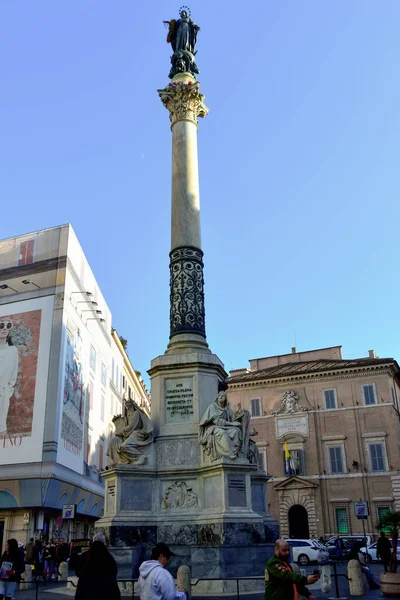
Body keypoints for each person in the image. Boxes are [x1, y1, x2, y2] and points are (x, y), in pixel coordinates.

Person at [199, 391, 250, 461]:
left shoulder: (227, 409)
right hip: (215, 427)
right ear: (217, 398)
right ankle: (229, 453)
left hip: (226, 427)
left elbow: (232, 419)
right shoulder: (212, 407)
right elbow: (217, 421)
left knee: (236, 431)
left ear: (225, 399)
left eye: (223, 395)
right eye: (219, 395)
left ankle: (235, 454)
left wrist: (241, 417)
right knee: (222, 433)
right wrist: (232, 424)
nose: (221, 396)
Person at [75, 534, 120, 600]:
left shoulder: (84, 556)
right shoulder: (108, 557)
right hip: (106, 592)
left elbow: (77, 572)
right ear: (104, 542)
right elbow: (114, 572)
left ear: (93, 541)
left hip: (86, 591)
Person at [107, 399, 153, 465]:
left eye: (128, 407)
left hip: (137, 434)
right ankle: (122, 460)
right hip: (129, 434)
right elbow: (127, 426)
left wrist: (121, 432)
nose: (127, 409)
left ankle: (139, 456)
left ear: (132, 406)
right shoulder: (129, 416)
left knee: (124, 446)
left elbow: (131, 427)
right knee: (114, 441)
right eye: (127, 407)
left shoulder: (136, 414)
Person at [0, 318, 18, 432]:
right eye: (1, 326)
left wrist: (7, 392)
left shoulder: (13, 351)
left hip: (3, 394)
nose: (4, 328)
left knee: (2, 429)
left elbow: (13, 375)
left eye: (8, 326)